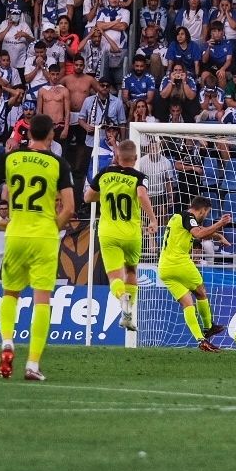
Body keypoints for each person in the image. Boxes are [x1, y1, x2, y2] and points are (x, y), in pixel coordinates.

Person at [0, 114, 74, 381]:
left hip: (15, 234)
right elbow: (70, 208)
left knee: (10, 294)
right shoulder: (58, 163)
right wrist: (53, 227)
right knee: (42, 298)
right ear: (51, 135)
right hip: (43, 236)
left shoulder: (12, 158)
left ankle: (7, 342)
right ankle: (32, 364)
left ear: (29, 134)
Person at [83, 138, 158, 331]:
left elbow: (87, 197)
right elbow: (141, 195)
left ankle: (121, 297)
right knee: (131, 271)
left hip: (108, 233)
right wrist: (152, 219)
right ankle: (129, 312)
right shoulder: (140, 177)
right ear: (135, 157)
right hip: (131, 233)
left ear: (117, 156)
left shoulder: (105, 174)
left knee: (114, 277)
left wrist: (107, 193)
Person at [158, 196, 232, 352]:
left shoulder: (177, 218)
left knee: (187, 303)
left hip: (164, 268)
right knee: (201, 291)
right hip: (179, 263)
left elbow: (197, 234)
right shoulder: (189, 217)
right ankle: (208, 326)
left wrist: (217, 236)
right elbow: (198, 234)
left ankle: (201, 340)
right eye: (207, 213)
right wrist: (220, 224)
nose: (206, 216)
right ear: (203, 210)